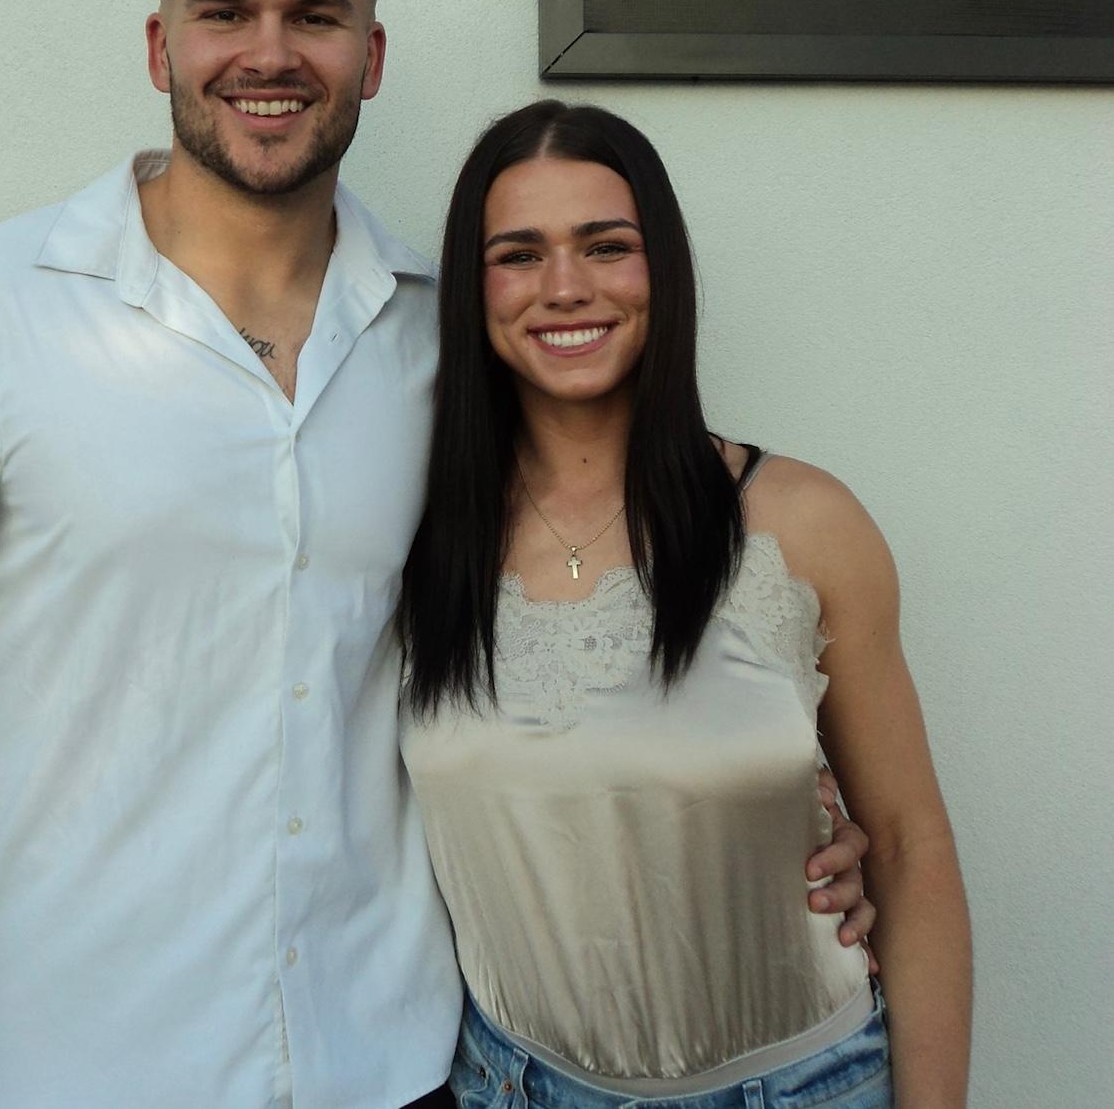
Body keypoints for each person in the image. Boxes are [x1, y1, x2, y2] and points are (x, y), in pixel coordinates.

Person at [0, 0, 874, 1109]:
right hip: (71, 1061)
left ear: (372, 54)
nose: (270, 52)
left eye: (316, 14)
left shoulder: (447, 342)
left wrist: (776, 824)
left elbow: (592, 583)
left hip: (385, 1062)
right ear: (161, 45)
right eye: (224, 11)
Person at [399, 101, 972, 1109]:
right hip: (508, 1084)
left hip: (801, 1087)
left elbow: (907, 843)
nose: (565, 287)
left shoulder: (800, 524)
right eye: (519, 255)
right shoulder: (412, 536)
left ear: (662, 267)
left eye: (606, 246)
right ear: (471, 287)